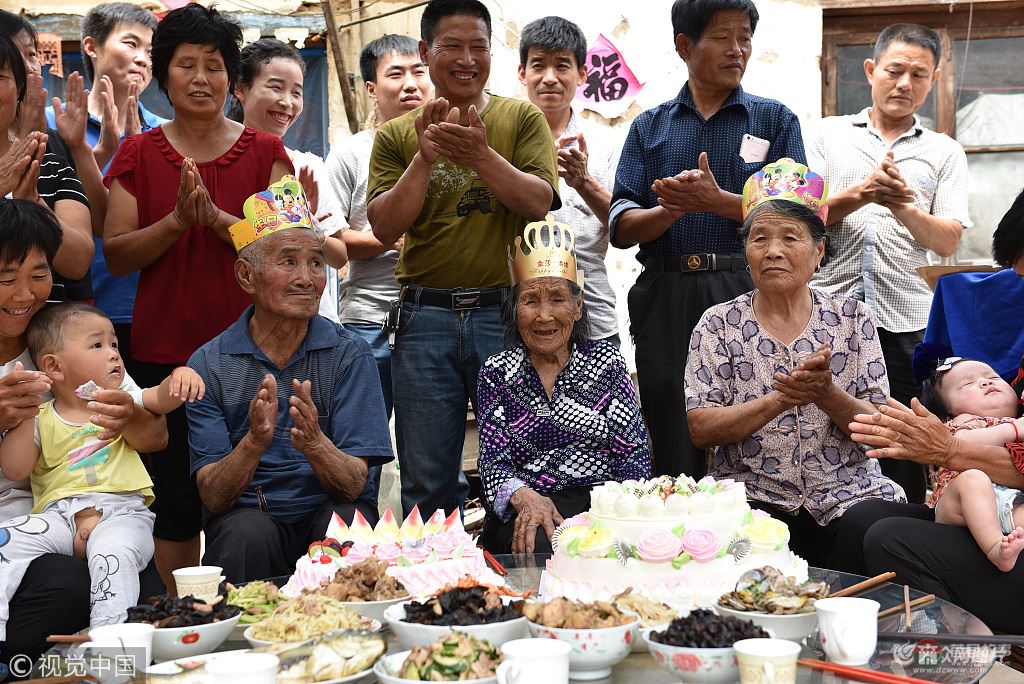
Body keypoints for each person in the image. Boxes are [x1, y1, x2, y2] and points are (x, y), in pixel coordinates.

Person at [102, 3, 292, 593]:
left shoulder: (266, 153)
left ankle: (261, 605)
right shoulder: (137, 153)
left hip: (260, 351)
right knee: (177, 499)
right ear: (164, 77)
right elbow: (116, 252)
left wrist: (214, 221)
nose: (201, 79)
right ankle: (188, 616)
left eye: (214, 65)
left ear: (231, 79)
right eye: (187, 65)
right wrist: (176, 223)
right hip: (167, 355)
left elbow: (291, 249)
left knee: (262, 487)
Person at [366, 0, 558, 518]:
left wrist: (480, 155)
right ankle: (437, 594)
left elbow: (538, 201)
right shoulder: (395, 135)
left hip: (507, 314)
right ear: (427, 52)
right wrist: (425, 156)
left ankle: (524, 588)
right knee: (427, 481)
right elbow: (384, 227)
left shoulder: (521, 118)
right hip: (424, 316)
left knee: (524, 469)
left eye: (479, 47)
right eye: (453, 46)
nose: (467, 59)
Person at [609, 0, 805, 479]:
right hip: (666, 293)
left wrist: (717, 200)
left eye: (745, 37)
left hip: (748, 287)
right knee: (672, 427)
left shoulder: (775, 120)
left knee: (755, 418)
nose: (737, 50)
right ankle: (677, 541)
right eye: (722, 37)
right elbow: (620, 224)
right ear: (684, 45)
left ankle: (754, 538)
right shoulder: (649, 126)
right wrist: (668, 211)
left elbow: (799, 215)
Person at [684, 159, 905, 567]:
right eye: (759, 238)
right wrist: (780, 400)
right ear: (746, 252)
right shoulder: (716, 325)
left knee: (880, 530)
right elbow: (701, 427)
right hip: (754, 494)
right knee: (739, 541)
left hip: (846, 493)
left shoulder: (853, 318)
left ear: (819, 251)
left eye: (791, 238)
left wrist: (827, 394)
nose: (773, 251)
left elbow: (880, 431)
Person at [186, 177, 393, 583]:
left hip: (330, 508)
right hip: (253, 517)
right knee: (246, 534)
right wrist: (254, 442)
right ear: (246, 276)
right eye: (288, 262)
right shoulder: (208, 363)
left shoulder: (350, 354)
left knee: (345, 526)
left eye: (316, 262)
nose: (307, 278)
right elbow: (212, 494)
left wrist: (315, 443)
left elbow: (355, 486)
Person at [844, 189, 1024, 634]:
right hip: (996, 513)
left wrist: (952, 449)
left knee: (892, 541)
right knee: (863, 518)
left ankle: (955, 643)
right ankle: (863, 643)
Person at [807, 24, 970, 504]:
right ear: (871, 70)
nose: (904, 83)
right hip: (829, 309)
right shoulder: (824, 135)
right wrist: (864, 193)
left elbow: (946, 240)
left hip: (907, 319)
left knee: (903, 436)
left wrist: (902, 206)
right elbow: (802, 215)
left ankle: (902, 547)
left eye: (918, 74)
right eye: (895, 70)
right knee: (824, 428)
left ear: (934, 79)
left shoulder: (944, 151)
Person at [0, 199, 165, 669]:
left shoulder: (72, 342)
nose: (24, 294)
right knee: (67, 582)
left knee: (147, 599)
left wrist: (127, 416)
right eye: (6, 278)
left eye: (39, 273)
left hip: (97, 512)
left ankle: (95, 660)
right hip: (29, 528)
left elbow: (154, 439)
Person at [0, 302, 203, 639]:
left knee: (112, 557)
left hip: (121, 514)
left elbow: (160, 399)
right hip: (60, 517)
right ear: (54, 367)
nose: (113, 354)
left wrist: (180, 377)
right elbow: (15, 466)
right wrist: (26, 414)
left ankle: (109, 641)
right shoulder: (43, 415)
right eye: (98, 345)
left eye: (114, 345)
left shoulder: (120, 399)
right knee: (7, 540)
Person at [477, 217, 650, 554]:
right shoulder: (497, 372)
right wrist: (526, 498)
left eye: (557, 299)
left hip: (602, 504)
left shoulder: (607, 363)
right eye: (530, 301)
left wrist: (615, 516)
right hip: (528, 504)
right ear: (514, 310)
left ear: (578, 306)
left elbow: (635, 456)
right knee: (538, 540)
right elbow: (493, 464)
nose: (544, 316)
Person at [324, 34, 431, 498]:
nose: (410, 84)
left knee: (427, 446)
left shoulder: (455, 142)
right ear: (371, 88)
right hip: (368, 317)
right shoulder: (350, 153)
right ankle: (354, 540)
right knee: (362, 443)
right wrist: (390, 236)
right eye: (395, 74)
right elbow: (333, 238)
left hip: (431, 315)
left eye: (418, 72)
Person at [45, 2, 166, 365]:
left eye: (150, 51)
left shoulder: (164, 134)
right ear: (91, 47)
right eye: (131, 44)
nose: (143, 58)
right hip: (68, 309)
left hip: (150, 309)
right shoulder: (51, 123)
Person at [518, 16, 621, 345]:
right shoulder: (499, 141)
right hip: (519, 316)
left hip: (592, 316)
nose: (549, 78)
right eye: (538, 66)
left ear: (582, 74)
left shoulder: (605, 144)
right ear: (522, 73)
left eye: (562, 65)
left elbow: (625, 228)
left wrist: (583, 182)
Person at [230, 37, 347, 324]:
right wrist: (281, 217)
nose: (287, 102)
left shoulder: (307, 166)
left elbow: (339, 256)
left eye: (297, 92)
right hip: (236, 319)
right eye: (275, 87)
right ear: (241, 89)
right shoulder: (220, 163)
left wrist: (309, 225)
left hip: (308, 321)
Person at [0, 31, 94, 306]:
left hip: (43, 342)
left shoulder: (49, 164)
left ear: (19, 89)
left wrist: (33, 201)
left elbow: (78, 263)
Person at [916, 357, 1024, 570]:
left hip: (1010, 504)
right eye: (967, 383)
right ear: (948, 413)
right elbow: (958, 445)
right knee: (974, 479)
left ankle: (1008, 543)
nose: (986, 382)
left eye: (993, 377)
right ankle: (995, 549)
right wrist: (1014, 429)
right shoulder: (964, 421)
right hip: (960, 504)